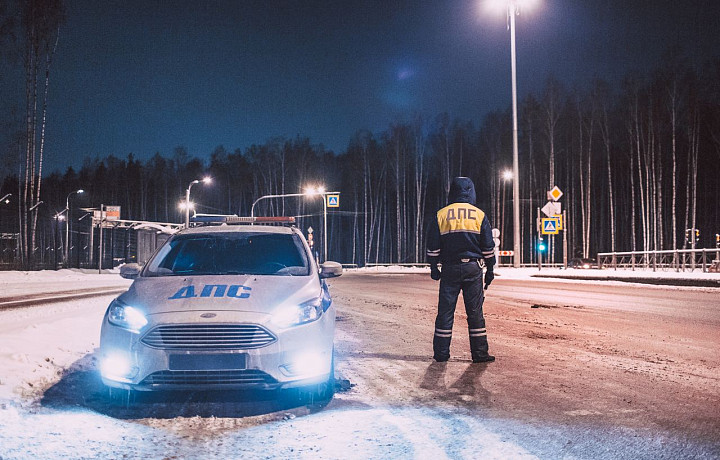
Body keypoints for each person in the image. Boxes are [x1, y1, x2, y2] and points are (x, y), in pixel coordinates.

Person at [426, 177, 496, 363]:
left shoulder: (441, 215)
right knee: (475, 313)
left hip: (450, 269)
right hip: (473, 269)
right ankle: (480, 354)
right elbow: (488, 247)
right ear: (471, 191)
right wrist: (490, 269)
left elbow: (433, 246)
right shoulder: (479, 215)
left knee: (445, 313)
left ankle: (441, 354)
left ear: (452, 192)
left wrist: (433, 267)